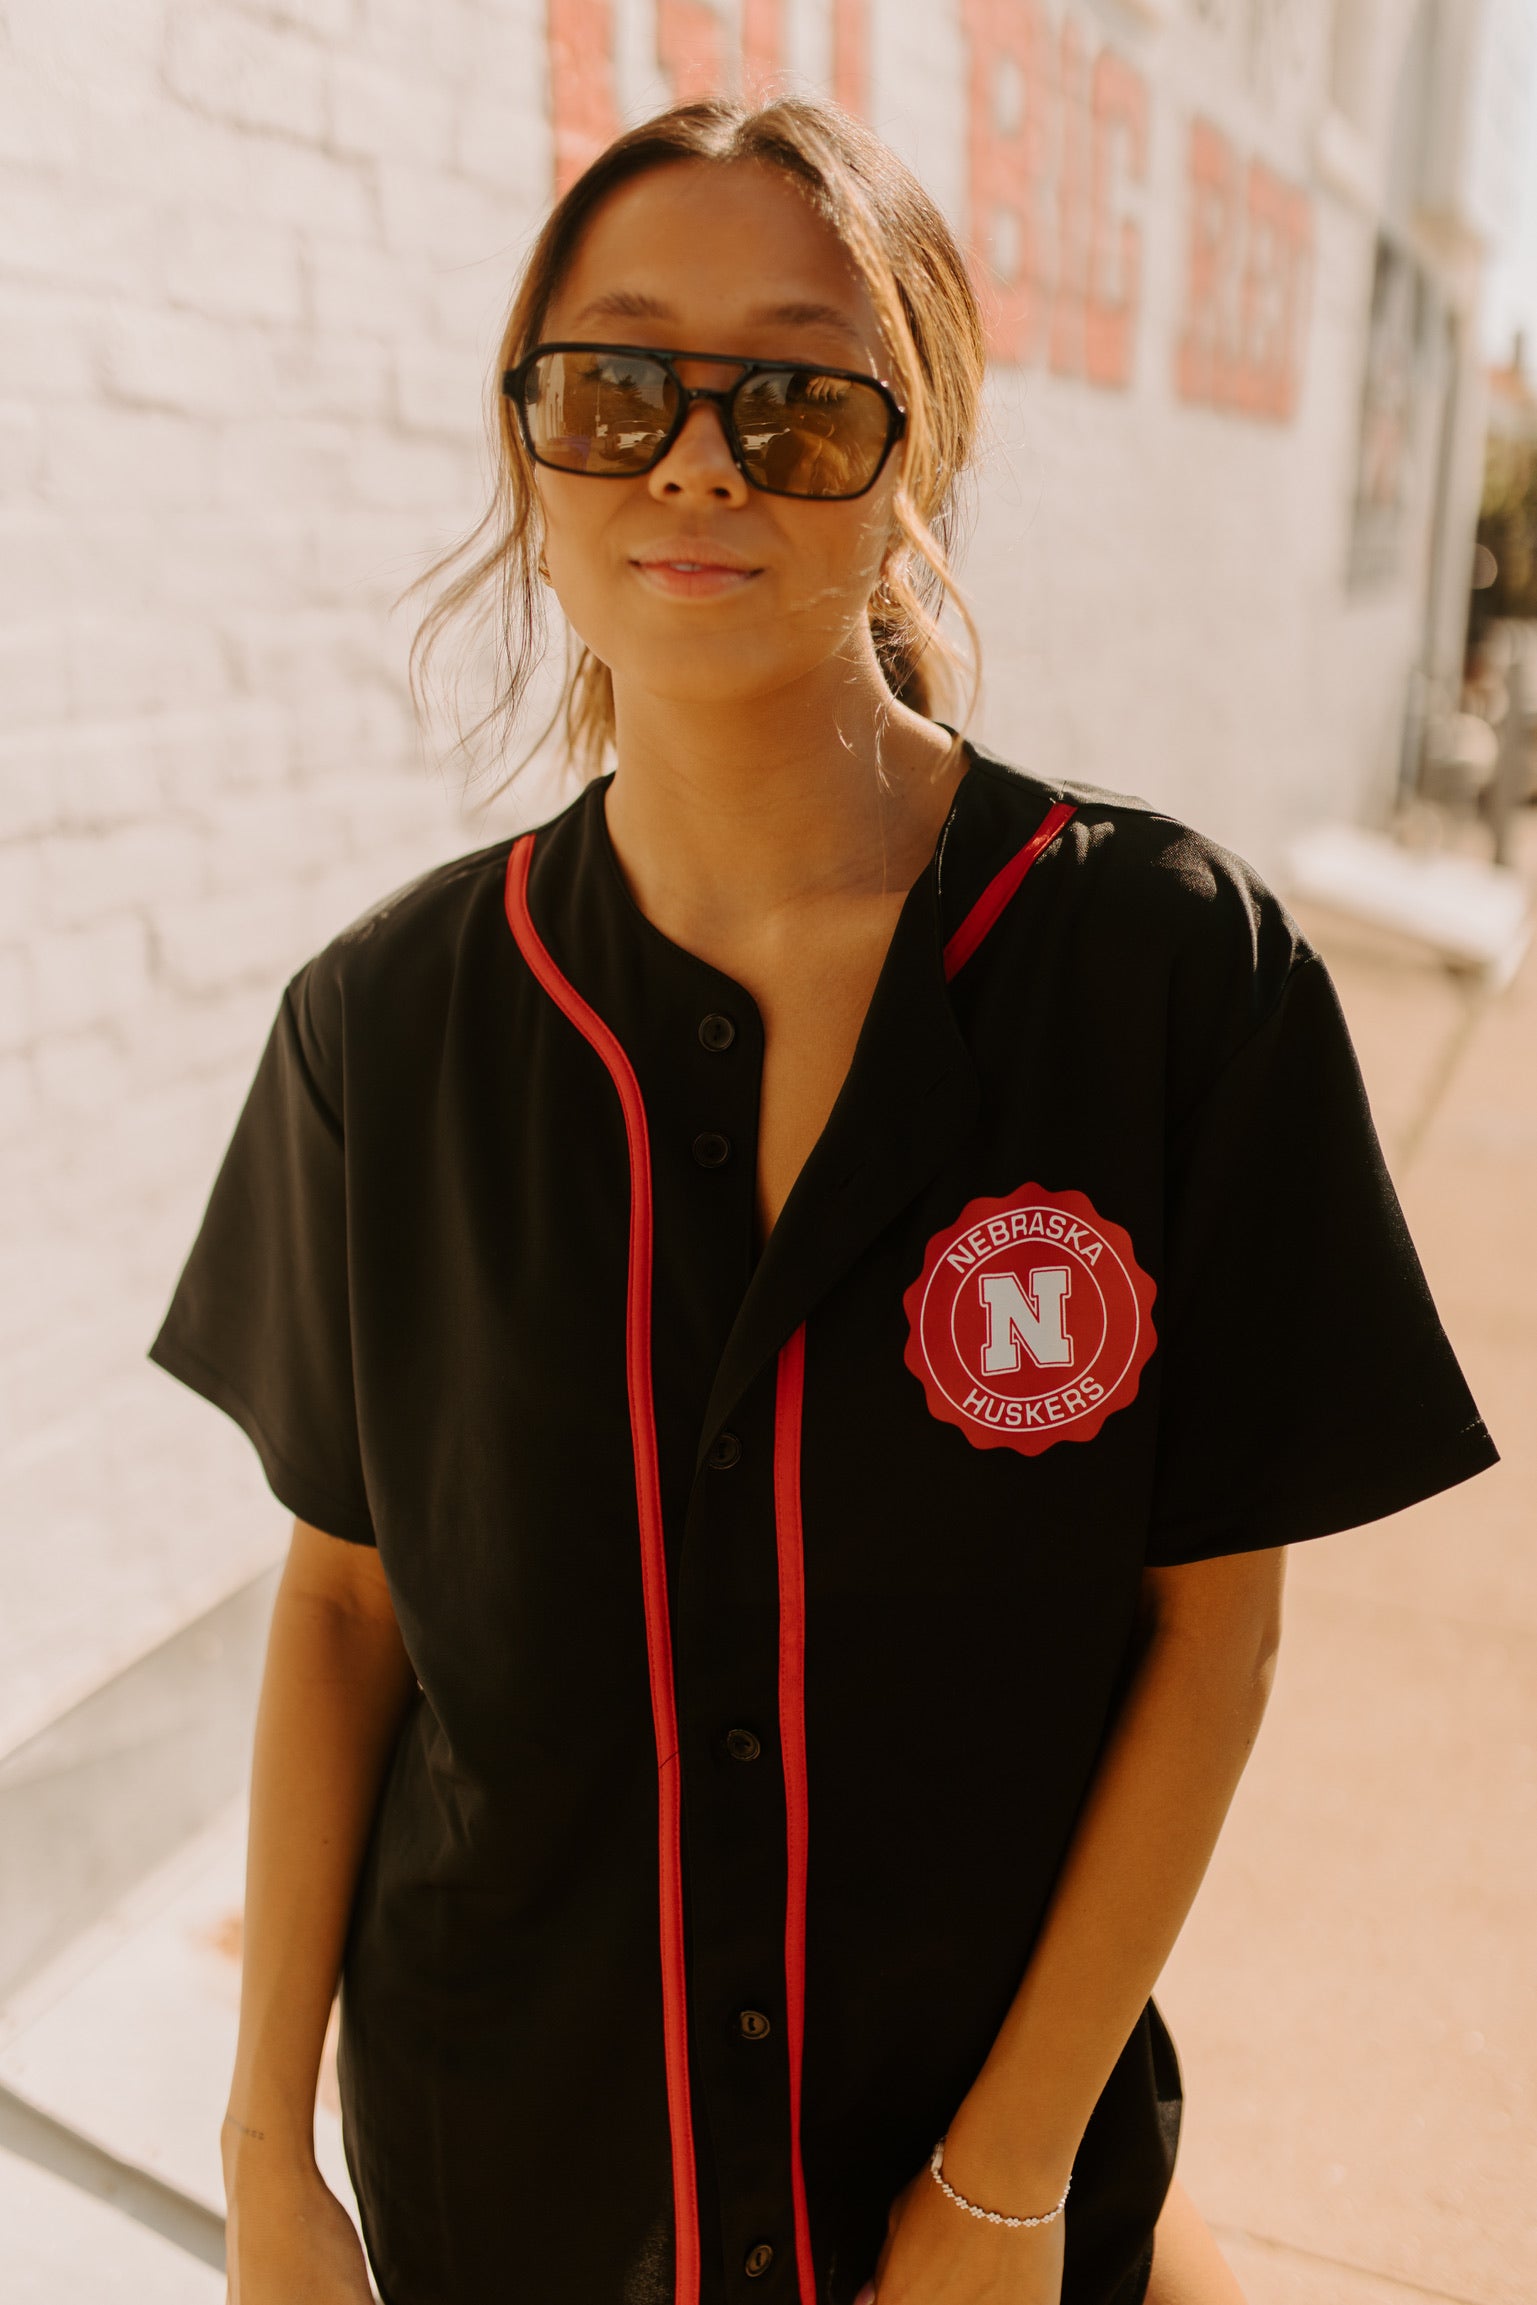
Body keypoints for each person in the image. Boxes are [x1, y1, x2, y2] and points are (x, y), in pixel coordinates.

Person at [150, 97, 1497, 2305]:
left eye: (793, 398)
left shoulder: (1164, 980)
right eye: (616, 388)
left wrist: (1006, 2181)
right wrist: (267, 2155)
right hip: (507, 2187)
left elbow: (1206, 1631)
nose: (696, 462)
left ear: (918, 454)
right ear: (533, 454)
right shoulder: (381, 1030)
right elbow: (341, 1610)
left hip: (966, 2203)